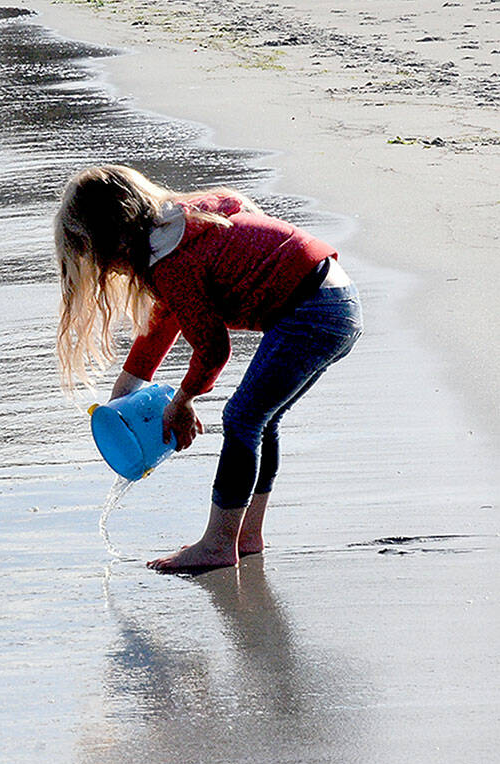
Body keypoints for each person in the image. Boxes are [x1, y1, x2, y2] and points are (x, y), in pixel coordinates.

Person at [54, 164, 362, 571]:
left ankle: (219, 544)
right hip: (336, 299)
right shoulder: (177, 225)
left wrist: (181, 401)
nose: (109, 272)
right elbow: (165, 320)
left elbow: (214, 350)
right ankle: (247, 535)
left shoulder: (171, 265)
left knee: (242, 419)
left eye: (102, 263)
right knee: (261, 420)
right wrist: (125, 391)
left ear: (110, 244)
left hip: (311, 311)